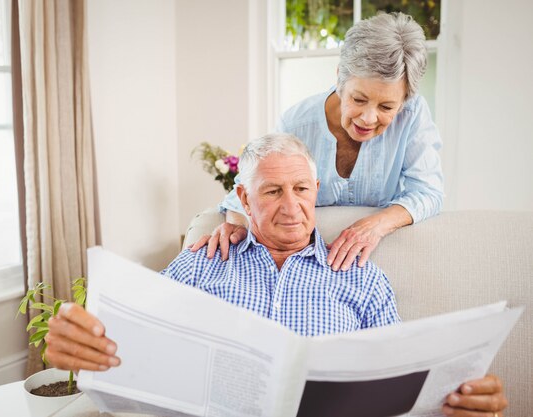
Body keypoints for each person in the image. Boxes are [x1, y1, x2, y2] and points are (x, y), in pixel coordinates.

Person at [46, 134, 507, 417]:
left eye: (302, 189)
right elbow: (132, 341)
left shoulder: (363, 279)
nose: (292, 206)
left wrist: (463, 406)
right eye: (272, 191)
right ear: (244, 200)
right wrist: (83, 338)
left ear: (316, 191)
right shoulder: (202, 261)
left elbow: (402, 390)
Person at [192, 12, 443, 273]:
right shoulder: (296, 123)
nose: (368, 118)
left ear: (404, 100)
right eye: (358, 99)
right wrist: (236, 223)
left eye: (387, 106)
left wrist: (374, 226)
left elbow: (428, 191)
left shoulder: (413, 115)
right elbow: (248, 188)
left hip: (368, 260)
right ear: (339, 79)